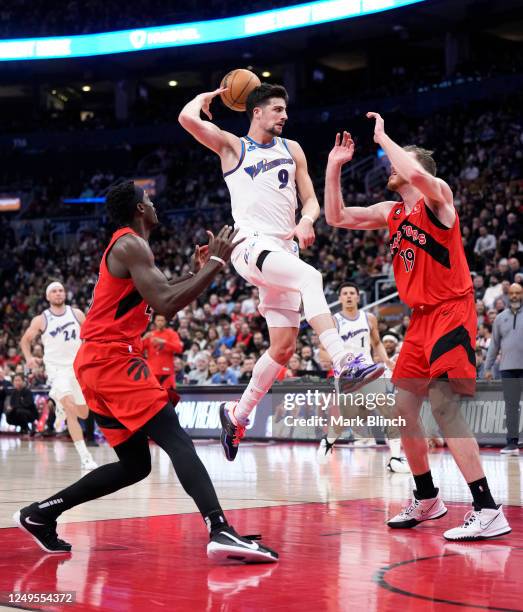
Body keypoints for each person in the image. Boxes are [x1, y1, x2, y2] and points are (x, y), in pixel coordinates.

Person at [14, 181, 277, 563]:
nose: (154, 205)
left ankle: (41, 513)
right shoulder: (130, 244)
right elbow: (167, 301)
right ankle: (220, 529)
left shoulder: (132, 249)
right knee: (176, 438)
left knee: (135, 465)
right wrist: (217, 264)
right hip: (112, 360)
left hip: (96, 363)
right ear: (139, 209)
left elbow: (166, 298)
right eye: (149, 200)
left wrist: (199, 273)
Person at [324, 120, 510, 541]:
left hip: (452, 311)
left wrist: (385, 140)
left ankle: (487, 507)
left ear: (411, 167)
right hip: (420, 320)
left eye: (395, 163)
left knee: (443, 405)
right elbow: (336, 216)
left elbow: (421, 176)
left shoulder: (438, 198)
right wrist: (335, 168)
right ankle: (427, 497)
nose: (388, 168)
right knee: (403, 408)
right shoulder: (392, 213)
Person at [179, 83, 383, 461]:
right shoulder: (234, 146)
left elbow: (310, 201)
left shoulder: (293, 150)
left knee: (284, 347)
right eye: (276, 109)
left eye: (285, 110)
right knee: (312, 277)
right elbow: (186, 119)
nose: (284, 116)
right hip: (250, 243)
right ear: (255, 112)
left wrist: (306, 221)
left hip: (282, 248)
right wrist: (204, 98)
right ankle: (344, 362)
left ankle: (237, 417)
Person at [316, 283, 409, 473]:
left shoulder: (369, 318)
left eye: (352, 293)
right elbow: (322, 353)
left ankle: (395, 458)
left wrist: (385, 360)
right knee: (347, 418)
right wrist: (341, 361)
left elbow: (376, 342)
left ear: (358, 297)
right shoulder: (333, 321)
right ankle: (328, 441)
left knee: (389, 411)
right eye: (345, 294)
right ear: (340, 298)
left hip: (368, 371)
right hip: (346, 376)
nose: (349, 296)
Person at [20, 282, 98, 470]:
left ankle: (61, 407)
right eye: (54, 291)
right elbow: (25, 340)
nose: (58, 293)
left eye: (61, 290)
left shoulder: (77, 314)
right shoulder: (42, 319)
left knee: (84, 413)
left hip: (77, 369)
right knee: (72, 410)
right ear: (48, 297)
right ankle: (86, 458)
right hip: (56, 370)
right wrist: (29, 358)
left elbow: (91, 337)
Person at [484, 283, 523, 455]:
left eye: (518, 293)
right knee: (511, 407)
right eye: (512, 293)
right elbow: (494, 345)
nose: (514, 296)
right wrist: (488, 367)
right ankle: (512, 443)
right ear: (508, 295)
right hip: (507, 368)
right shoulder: (500, 318)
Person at [143, 313, 183, 399]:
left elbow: (179, 348)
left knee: (168, 398)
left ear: (165, 322)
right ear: (154, 321)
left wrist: (164, 342)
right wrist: (143, 339)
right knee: (152, 398)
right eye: (158, 320)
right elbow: (138, 350)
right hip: (153, 373)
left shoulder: (172, 334)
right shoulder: (150, 335)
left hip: (167, 372)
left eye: (162, 320)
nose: (160, 322)